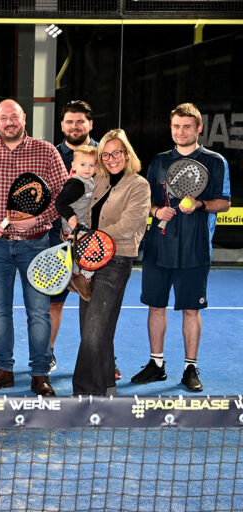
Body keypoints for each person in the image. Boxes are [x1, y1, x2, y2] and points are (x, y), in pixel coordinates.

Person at [0, 99, 67, 397]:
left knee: (39, 313)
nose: (9, 122)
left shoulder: (46, 151)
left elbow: (62, 196)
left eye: (14, 116)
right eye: (2, 117)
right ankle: (4, 370)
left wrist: (37, 219)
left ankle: (39, 373)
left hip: (37, 246)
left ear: (24, 119)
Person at [133, 103, 230, 392]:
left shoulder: (215, 161)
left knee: (190, 310)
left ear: (198, 128)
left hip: (195, 250)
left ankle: (190, 367)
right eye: (176, 126)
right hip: (158, 249)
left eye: (187, 126)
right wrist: (156, 212)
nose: (181, 131)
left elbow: (224, 203)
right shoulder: (160, 161)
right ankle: (156, 364)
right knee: (155, 306)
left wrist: (199, 204)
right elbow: (146, 202)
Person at [73, 129, 150, 395]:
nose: (111, 158)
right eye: (105, 154)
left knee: (95, 329)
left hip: (116, 261)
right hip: (89, 261)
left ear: (127, 153)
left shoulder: (139, 185)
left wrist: (90, 237)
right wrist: (73, 229)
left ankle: (85, 393)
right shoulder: (99, 181)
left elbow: (127, 227)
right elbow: (85, 216)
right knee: (92, 328)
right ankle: (107, 385)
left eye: (117, 152)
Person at [49, 100, 99, 372]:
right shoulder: (51, 154)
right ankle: (48, 354)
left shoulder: (105, 154)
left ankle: (99, 358)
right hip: (59, 245)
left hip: (95, 246)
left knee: (95, 307)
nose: (75, 126)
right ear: (62, 125)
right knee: (53, 305)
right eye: (69, 121)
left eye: (80, 121)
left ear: (90, 124)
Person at [54, 145, 98, 301]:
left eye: (92, 165)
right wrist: (71, 218)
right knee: (95, 249)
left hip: (81, 225)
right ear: (73, 165)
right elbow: (60, 203)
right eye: (83, 164)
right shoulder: (76, 184)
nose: (87, 168)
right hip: (74, 226)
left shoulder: (90, 180)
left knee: (80, 254)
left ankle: (74, 278)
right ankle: (82, 278)